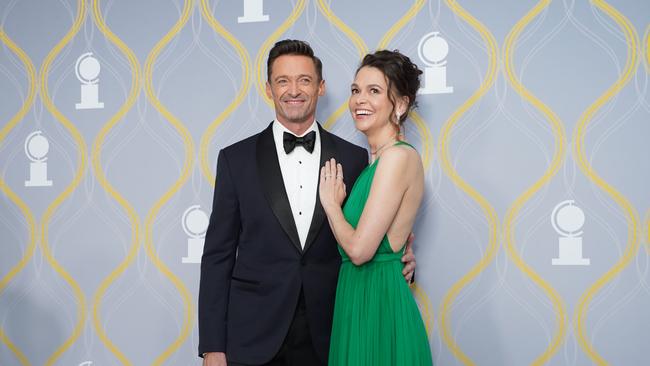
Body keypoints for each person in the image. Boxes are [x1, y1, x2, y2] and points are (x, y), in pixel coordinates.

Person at [198, 40, 416, 366]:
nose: (293, 90)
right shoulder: (235, 160)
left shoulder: (355, 158)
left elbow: (374, 230)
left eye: (304, 80)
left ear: (321, 87)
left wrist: (404, 260)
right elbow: (218, 256)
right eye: (282, 81)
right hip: (253, 336)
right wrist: (213, 346)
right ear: (269, 89)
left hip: (332, 331)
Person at [319, 50, 432, 365]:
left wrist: (331, 205)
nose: (359, 100)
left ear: (401, 104)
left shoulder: (397, 158)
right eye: (356, 90)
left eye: (374, 91)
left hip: (378, 306)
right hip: (359, 299)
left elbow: (359, 250)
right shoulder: (375, 163)